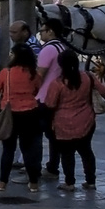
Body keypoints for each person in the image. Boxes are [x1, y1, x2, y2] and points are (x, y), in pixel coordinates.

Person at [43, 45, 105, 190]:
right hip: (86, 120)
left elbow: (50, 103)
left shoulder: (57, 84)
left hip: (63, 123)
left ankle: (69, 182)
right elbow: (103, 90)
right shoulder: (88, 77)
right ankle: (91, 181)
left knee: (67, 154)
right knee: (86, 151)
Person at [0, 42, 45, 192]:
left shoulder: (6, 72)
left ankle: (2, 182)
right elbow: (38, 89)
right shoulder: (34, 74)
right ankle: (33, 182)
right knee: (28, 149)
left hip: (9, 112)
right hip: (30, 112)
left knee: (8, 149)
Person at [35, 17, 70, 182]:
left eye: (42, 30)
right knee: (53, 135)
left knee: (37, 134)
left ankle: (37, 166)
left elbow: (39, 74)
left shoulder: (48, 49)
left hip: (44, 96)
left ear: (50, 31)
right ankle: (53, 165)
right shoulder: (62, 47)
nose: (40, 33)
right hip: (58, 96)